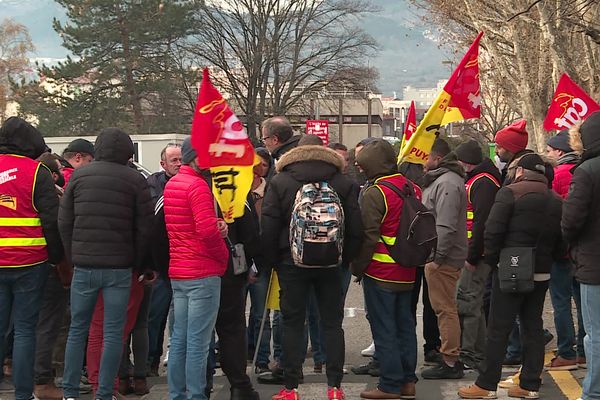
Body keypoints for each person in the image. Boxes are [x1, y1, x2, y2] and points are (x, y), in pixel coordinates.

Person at [261, 144, 363, 400]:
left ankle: (291, 387)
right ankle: (335, 387)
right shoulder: (344, 182)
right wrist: (344, 259)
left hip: (291, 262)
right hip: (331, 263)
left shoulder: (281, 181)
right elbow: (356, 229)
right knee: (332, 324)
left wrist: (274, 261)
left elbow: (269, 227)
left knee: (293, 323)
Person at [459, 153, 564, 399]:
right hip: (541, 270)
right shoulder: (555, 199)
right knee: (532, 326)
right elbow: (562, 238)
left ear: (520, 172)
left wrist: (492, 261)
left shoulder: (510, 194)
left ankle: (486, 385)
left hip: (511, 266)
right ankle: (529, 385)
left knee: (499, 327)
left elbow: (492, 231)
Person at [59, 128, 153, 400]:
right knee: (113, 333)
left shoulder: (78, 176)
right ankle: (104, 393)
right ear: (128, 152)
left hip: (84, 266)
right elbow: (144, 227)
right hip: (119, 268)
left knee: (79, 330)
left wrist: (73, 255)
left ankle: (69, 392)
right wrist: (138, 263)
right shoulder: (135, 180)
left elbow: (64, 222)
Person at [0, 117, 64, 400]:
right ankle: (23, 394)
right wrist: (56, 258)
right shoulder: (37, 172)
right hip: (30, 263)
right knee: (26, 330)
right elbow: (51, 220)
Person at [352, 139, 419, 400]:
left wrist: (358, 267)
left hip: (381, 271)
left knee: (384, 329)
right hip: (408, 269)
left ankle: (389, 385)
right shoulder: (411, 187)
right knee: (405, 326)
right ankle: (407, 382)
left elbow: (369, 235)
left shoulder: (376, 192)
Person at [163, 137, 229, 400]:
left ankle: (176, 394)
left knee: (179, 338)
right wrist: (223, 257)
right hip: (202, 271)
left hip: (179, 269)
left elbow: (189, 225)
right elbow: (205, 232)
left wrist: (215, 223)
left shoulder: (173, 184)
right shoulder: (198, 186)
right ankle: (196, 396)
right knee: (199, 343)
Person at [420, 138, 467, 380]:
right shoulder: (444, 180)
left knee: (445, 309)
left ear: (437, 158)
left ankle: (450, 360)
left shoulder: (447, 182)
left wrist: (436, 259)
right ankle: (449, 356)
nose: (422, 161)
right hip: (440, 255)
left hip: (443, 258)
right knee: (444, 308)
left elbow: (445, 225)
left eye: (425, 156)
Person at [562, 111, 600, 399]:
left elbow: (571, 220)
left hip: (594, 263)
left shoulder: (586, 171)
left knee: (596, 335)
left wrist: (569, 244)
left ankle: (593, 392)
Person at [454, 140, 501, 370]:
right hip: (475, 250)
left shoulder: (483, 183)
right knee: (472, 301)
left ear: (465, 162)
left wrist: (472, 256)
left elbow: (482, 222)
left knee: (469, 302)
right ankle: (478, 351)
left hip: (477, 253)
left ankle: (470, 352)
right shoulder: (479, 180)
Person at [544, 130, 586, 371]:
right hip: (583, 250)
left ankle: (566, 352)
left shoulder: (558, 174)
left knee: (561, 302)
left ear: (560, 151)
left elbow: (558, 215)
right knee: (583, 303)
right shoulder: (582, 171)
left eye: (550, 150)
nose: (548, 153)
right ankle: (583, 350)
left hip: (561, 250)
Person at [33, 153, 70, 400]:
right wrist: (58, 260)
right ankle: (42, 381)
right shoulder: (54, 196)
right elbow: (56, 228)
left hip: (27, 264)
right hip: (50, 267)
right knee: (49, 325)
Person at [146, 143, 182, 376]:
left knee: (180, 316)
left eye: (181, 160)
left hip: (183, 260)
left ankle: (177, 359)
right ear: (163, 164)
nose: (178, 164)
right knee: (155, 316)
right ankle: (151, 360)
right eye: (174, 161)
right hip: (161, 262)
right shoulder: (153, 186)